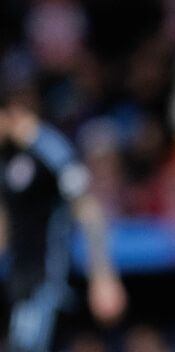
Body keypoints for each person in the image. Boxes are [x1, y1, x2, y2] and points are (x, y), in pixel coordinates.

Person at [0, 88, 127, 352]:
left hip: (45, 283)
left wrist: (103, 276)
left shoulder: (52, 151)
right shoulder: (9, 158)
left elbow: (90, 211)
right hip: (19, 281)